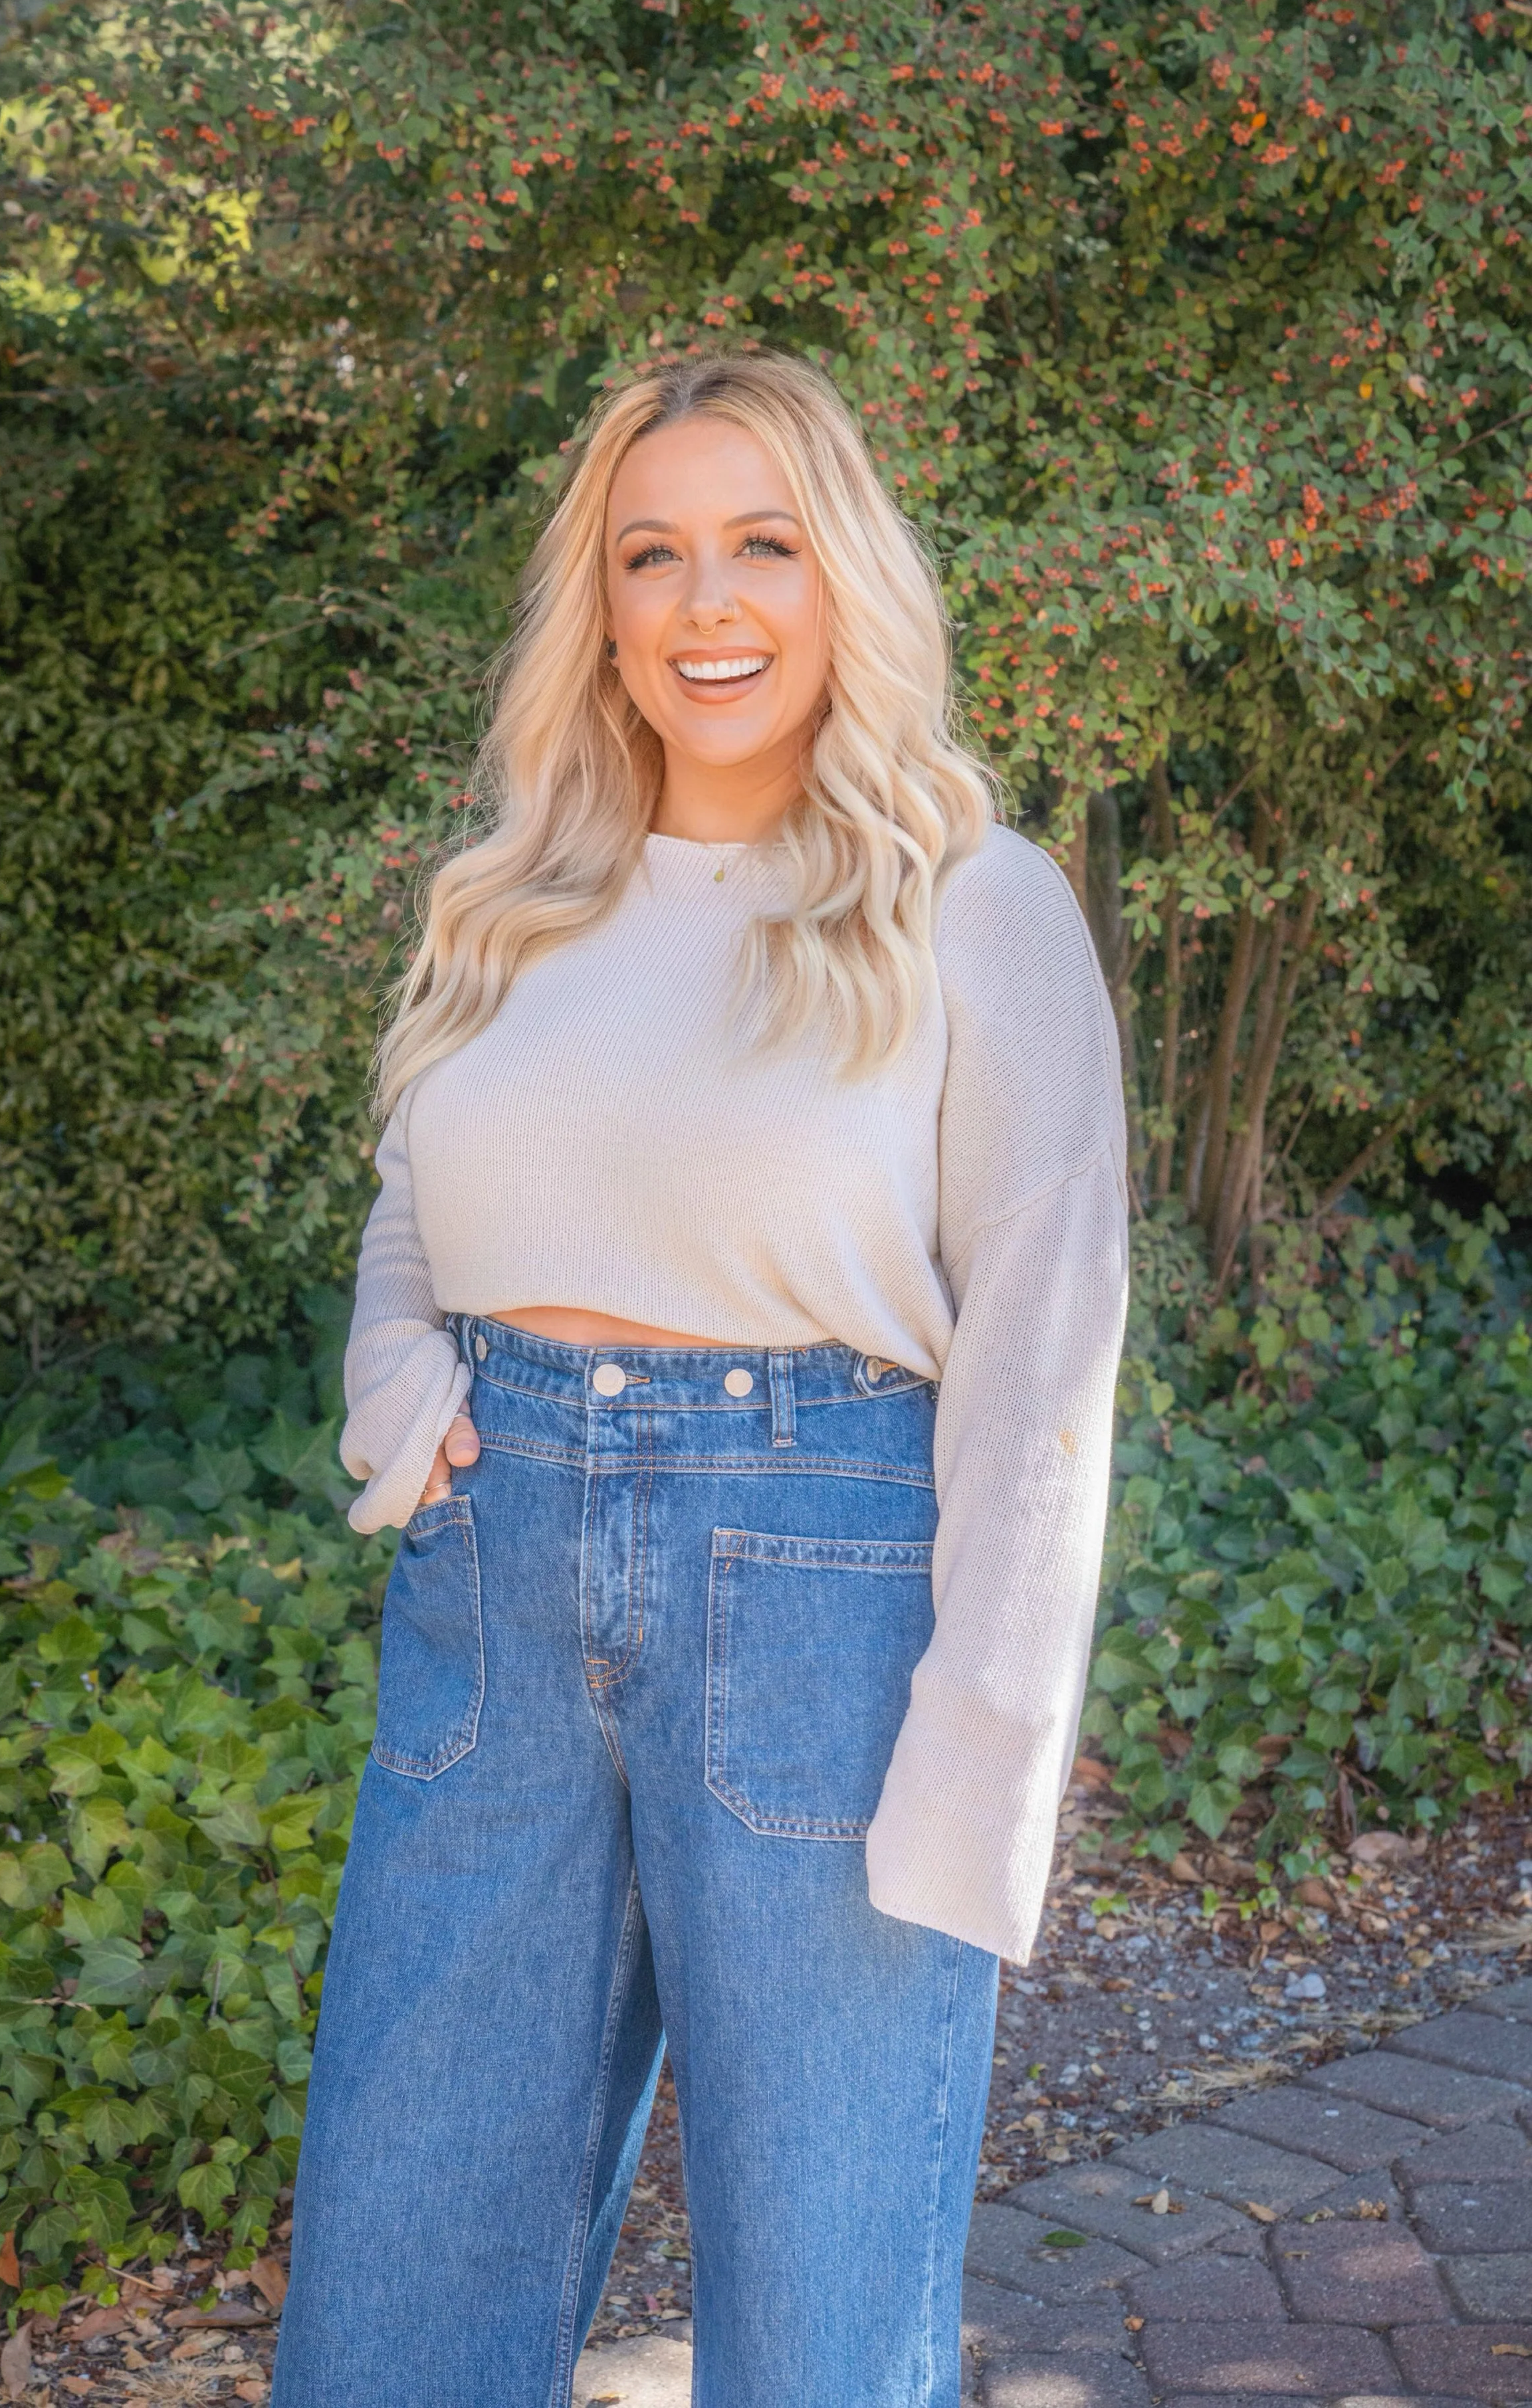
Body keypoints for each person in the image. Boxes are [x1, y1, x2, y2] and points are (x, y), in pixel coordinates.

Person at [271, 348, 1129, 2408]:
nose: (706, 600)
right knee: (397, 2290)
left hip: (825, 1591)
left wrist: (983, 1750)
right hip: (497, 1573)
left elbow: (1040, 1352)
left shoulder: (970, 909)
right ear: (605, 609)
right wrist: (399, 1379)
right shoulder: (512, 901)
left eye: (761, 543)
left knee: (822, 2327)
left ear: (847, 580)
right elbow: (422, 1195)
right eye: (651, 554)